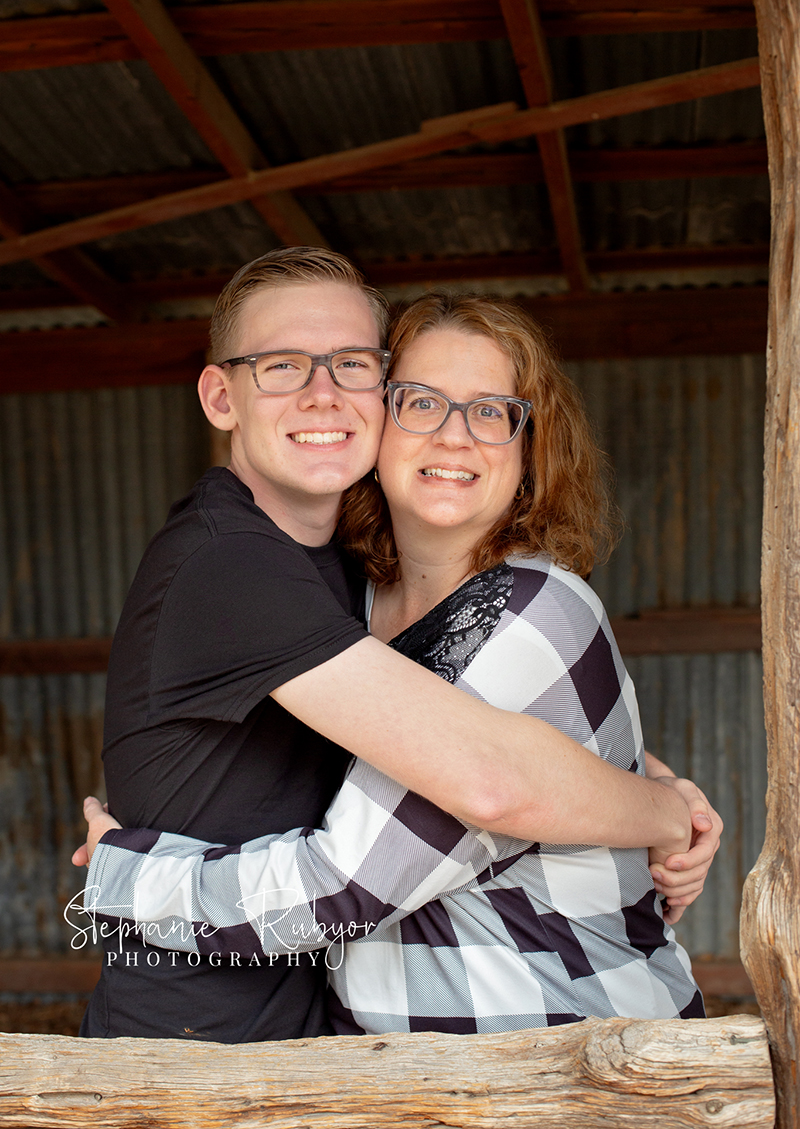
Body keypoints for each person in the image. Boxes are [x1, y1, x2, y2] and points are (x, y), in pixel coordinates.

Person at [77, 288, 716, 1034]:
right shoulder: (349, 598)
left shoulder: (535, 606)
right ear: (380, 419)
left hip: (573, 1055)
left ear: (530, 447)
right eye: (421, 402)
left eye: (490, 412)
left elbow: (346, 886)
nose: (455, 437)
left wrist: (123, 875)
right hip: (409, 1079)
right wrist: (665, 802)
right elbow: (494, 735)